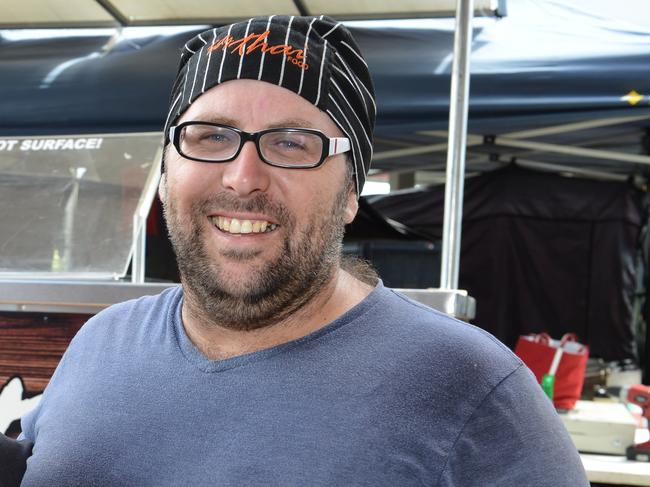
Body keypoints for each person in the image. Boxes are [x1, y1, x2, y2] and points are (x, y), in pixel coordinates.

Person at [17, 15, 588, 486]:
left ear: (349, 194)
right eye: (211, 136)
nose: (243, 177)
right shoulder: (101, 341)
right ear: (166, 172)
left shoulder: (471, 388)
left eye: (293, 144)